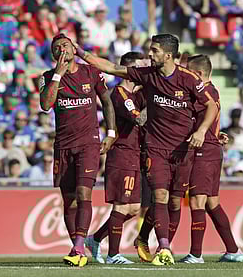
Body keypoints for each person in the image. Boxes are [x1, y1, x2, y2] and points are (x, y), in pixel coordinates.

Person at [77, 33, 218, 266]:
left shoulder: (189, 79)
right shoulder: (148, 76)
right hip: (155, 149)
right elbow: (112, 67)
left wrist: (203, 131)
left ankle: (147, 241)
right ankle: (163, 247)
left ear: (169, 55)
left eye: (154, 51)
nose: (149, 55)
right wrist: (81, 53)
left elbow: (211, 105)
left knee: (174, 201)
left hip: (183, 151)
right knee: (159, 197)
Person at [39, 33, 116, 267]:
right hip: (63, 145)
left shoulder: (91, 72)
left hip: (89, 142)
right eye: (58, 47)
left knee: (84, 193)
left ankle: (79, 245)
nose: (63, 49)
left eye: (66, 45)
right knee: (69, 200)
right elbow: (45, 105)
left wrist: (111, 133)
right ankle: (78, 248)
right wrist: (58, 75)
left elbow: (108, 102)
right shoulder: (47, 77)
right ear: (54, 54)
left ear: (74, 48)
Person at [179, 54, 243, 263]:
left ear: (197, 74)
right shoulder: (211, 90)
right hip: (212, 148)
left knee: (198, 200)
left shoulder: (203, 92)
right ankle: (233, 250)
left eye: (189, 72)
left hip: (204, 151)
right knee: (212, 203)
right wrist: (215, 134)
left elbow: (204, 116)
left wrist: (204, 134)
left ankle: (196, 254)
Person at [84, 52, 147, 265]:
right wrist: (155, 102)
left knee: (134, 208)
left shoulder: (136, 94)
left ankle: (95, 239)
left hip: (134, 155)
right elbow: (139, 119)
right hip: (122, 154)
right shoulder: (120, 94)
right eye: (141, 68)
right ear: (130, 70)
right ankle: (113, 254)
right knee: (121, 206)